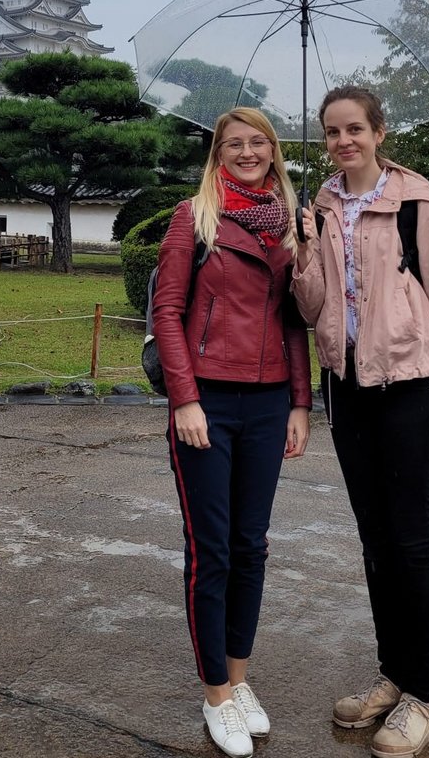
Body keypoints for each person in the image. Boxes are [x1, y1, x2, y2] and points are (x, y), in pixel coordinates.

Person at [292, 86, 429, 758]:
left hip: (411, 387)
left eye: (355, 129)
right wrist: (304, 256)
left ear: (379, 132)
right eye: (333, 131)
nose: (344, 141)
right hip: (349, 389)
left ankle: (424, 698)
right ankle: (393, 677)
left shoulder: (414, 203)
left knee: (414, 539)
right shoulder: (322, 206)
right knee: (374, 541)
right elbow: (312, 309)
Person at [152, 107, 312, 758]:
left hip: (270, 401)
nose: (247, 152)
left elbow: (297, 321)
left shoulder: (292, 227)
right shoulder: (194, 218)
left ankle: (241, 680)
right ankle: (215, 692)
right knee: (211, 550)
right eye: (234, 144)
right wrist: (184, 399)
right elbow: (167, 311)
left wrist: (302, 403)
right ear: (218, 154)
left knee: (252, 546)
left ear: (274, 151)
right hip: (208, 403)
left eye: (259, 143)